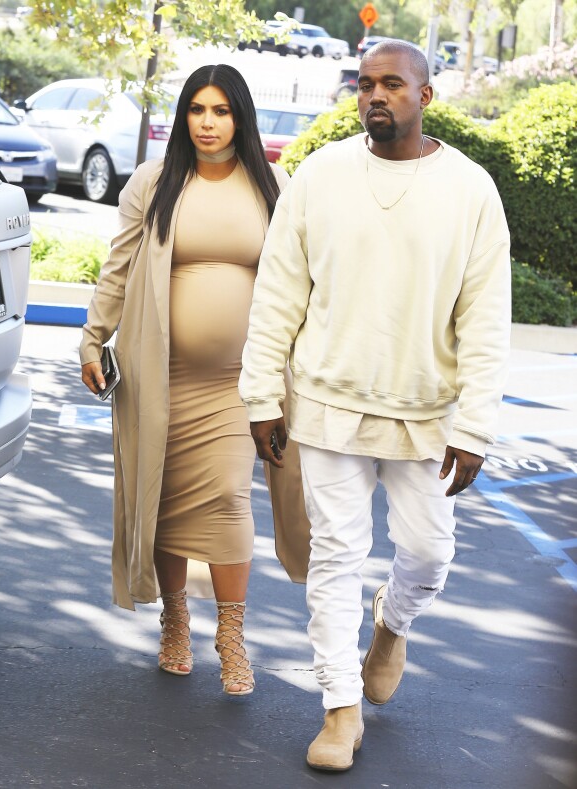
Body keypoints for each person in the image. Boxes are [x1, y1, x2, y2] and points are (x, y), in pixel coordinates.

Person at [239, 39, 511, 769]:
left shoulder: (471, 190)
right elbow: (278, 293)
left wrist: (477, 424)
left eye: (393, 84)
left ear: (427, 95)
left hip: (426, 410)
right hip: (326, 401)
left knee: (428, 552)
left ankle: (390, 625)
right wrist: (263, 394)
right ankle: (339, 707)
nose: (375, 96)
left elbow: (486, 319)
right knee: (336, 556)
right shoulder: (321, 176)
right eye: (365, 84)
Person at [80, 64, 289, 696]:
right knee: (166, 506)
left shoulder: (275, 185)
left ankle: (231, 636)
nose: (207, 122)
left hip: (240, 382)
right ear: (183, 117)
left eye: (221, 111)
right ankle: (176, 619)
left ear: (240, 118)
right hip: (160, 377)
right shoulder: (155, 182)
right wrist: (94, 337)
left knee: (227, 500)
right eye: (197, 109)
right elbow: (118, 268)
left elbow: (306, 278)